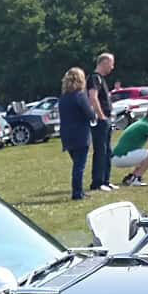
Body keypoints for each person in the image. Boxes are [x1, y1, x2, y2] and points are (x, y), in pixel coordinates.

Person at [57, 68, 96, 200]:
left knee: (77, 164)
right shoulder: (80, 95)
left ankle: (79, 191)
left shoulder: (63, 98)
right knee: (79, 166)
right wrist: (93, 114)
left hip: (67, 135)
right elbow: (89, 114)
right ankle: (77, 193)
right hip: (80, 133)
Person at [88, 52, 116, 191]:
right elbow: (93, 97)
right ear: (104, 62)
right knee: (100, 150)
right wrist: (101, 116)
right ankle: (97, 182)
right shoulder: (94, 78)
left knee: (107, 150)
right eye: (111, 63)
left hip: (107, 118)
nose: (112, 67)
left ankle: (106, 180)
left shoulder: (102, 79)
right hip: (101, 120)